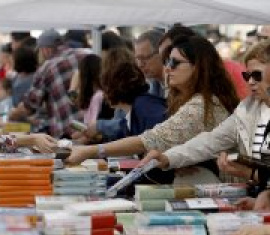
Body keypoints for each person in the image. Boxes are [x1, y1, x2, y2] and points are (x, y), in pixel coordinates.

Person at [138, 39, 270, 235]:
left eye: (257, 75)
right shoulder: (249, 107)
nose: (250, 81)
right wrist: (168, 158)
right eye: (247, 75)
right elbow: (211, 140)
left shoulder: (208, 104)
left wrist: (253, 175)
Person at [66, 36, 239, 182]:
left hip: (222, 192)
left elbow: (151, 139)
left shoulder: (203, 105)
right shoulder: (189, 100)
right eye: (166, 61)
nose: (167, 68)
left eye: (175, 62)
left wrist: (90, 151)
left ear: (199, 67)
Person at [9, 29, 86, 138]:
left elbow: (30, 105)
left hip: (66, 130)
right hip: (89, 126)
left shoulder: (47, 67)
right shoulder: (84, 55)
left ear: (46, 50)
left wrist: (14, 113)